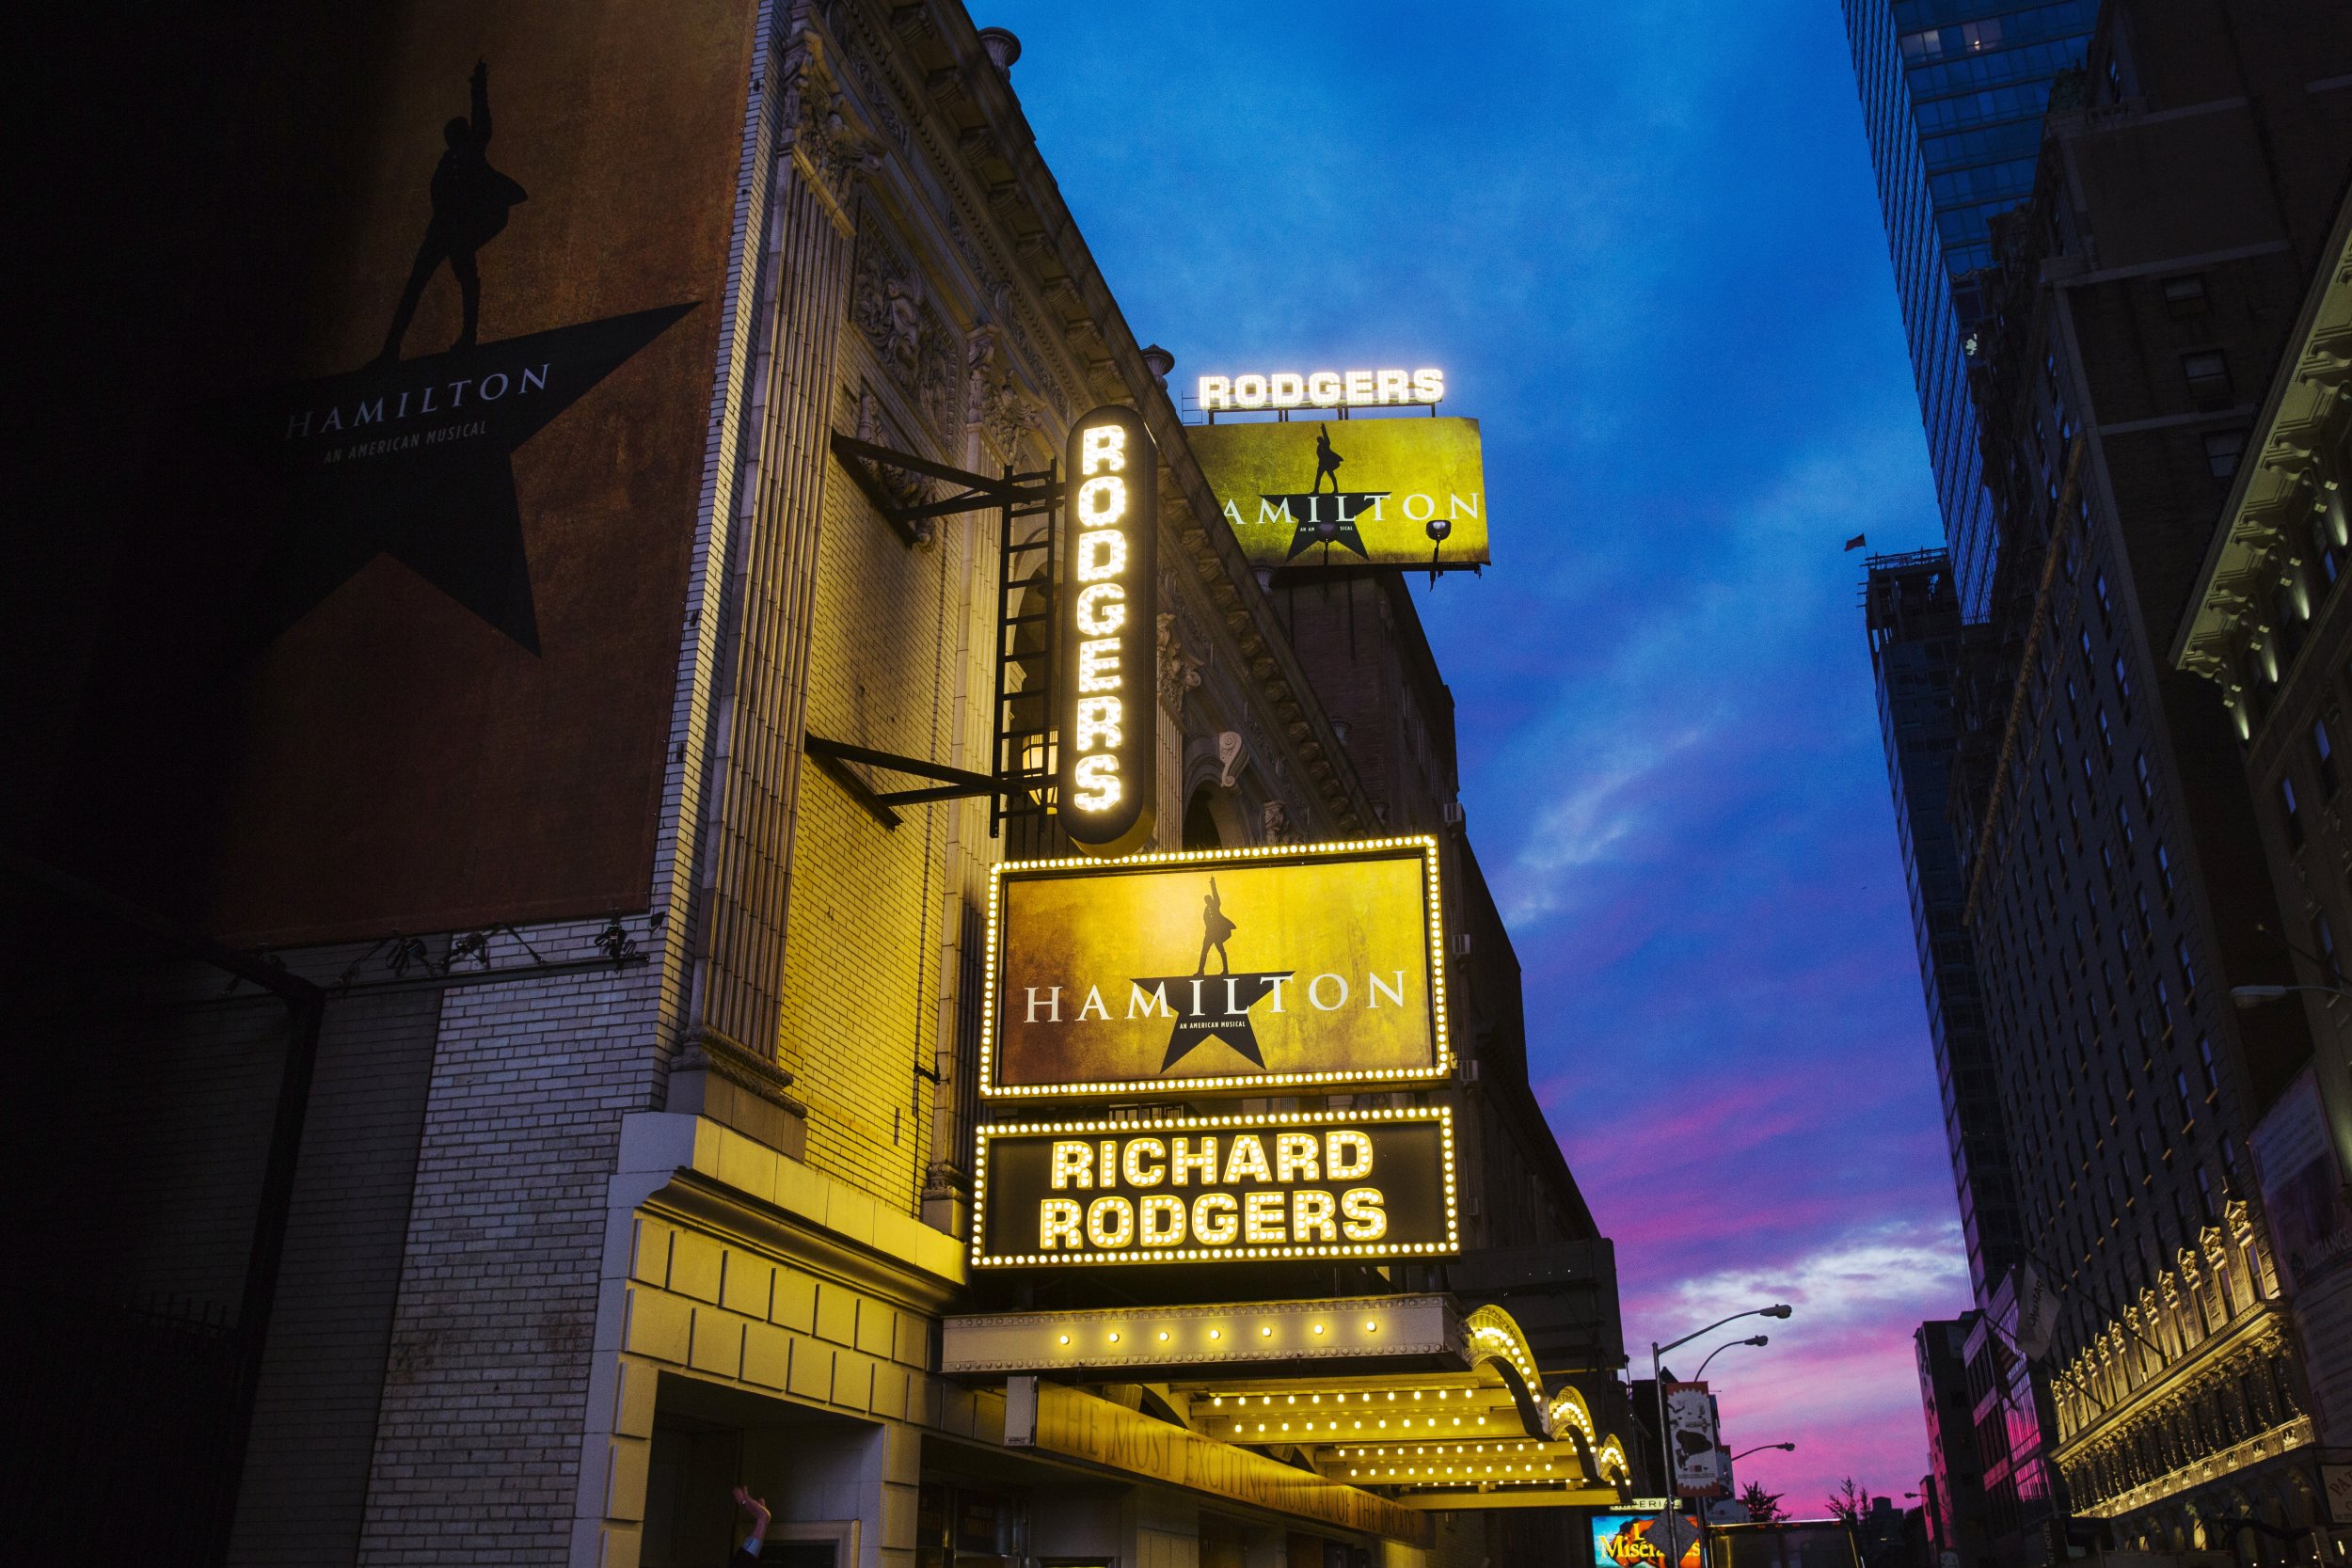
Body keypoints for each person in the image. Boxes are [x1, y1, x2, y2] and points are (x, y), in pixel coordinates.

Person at [380, 59, 530, 361]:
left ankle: (468, 336)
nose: (456, 140)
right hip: (442, 230)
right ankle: (391, 348)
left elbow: (482, 119)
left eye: (459, 135)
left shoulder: (471, 152)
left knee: (464, 279)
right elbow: (438, 194)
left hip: (459, 229)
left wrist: (478, 86)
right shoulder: (448, 162)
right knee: (417, 285)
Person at [1195, 877, 1236, 976]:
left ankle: (1226, 970)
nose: (1207, 901)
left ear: (1211, 899)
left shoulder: (1215, 905)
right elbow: (1206, 921)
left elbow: (1215, 893)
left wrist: (1212, 884)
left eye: (1208, 899)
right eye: (1206, 900)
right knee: (1204, 951)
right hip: (1209, 934)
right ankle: (1201, 971)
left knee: (1221, 951)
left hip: (1217, 933)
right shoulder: (1206, 910)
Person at [728, 1485, 771, 1565]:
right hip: (745, 1558)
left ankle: (745, 1500)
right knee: (764, 1519)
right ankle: (744, 1501)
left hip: (745, 1559)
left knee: (764, 1517)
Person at [1311, 425, 1343, 494]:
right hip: (1322, 464)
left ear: (1322, 439)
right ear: (1318, 441)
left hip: (1328, 464)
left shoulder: (1326, 443)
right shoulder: (1318, 448)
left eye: (1320, 439)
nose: (1320, 441)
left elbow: (1326, 435)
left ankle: (1336, 490)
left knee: (1332, 476)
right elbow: (1319, 456)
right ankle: (1316, 490)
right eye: (1319, 440)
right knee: (1318, 477)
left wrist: (1323, 429)